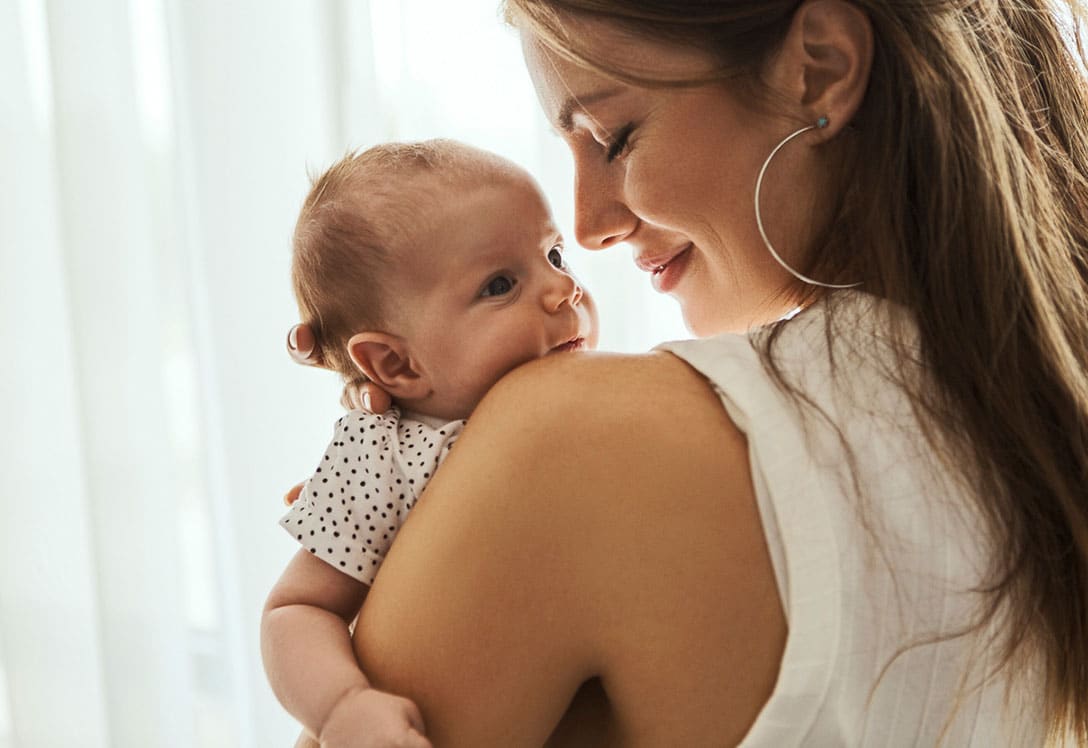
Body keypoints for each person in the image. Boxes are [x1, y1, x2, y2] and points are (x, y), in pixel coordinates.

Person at [268, 0, 1088, 744]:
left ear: (822, 70)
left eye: (614, 138)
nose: (586, 231)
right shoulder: (1030, 427)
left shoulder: (572, 439)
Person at [261, 140, 598, 747]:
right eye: (500, 284)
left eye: (554, 255)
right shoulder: (384, 454)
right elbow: (296, 611)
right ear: (395, 362)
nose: (562, 290)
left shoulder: (589, 401)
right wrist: (342, 708)